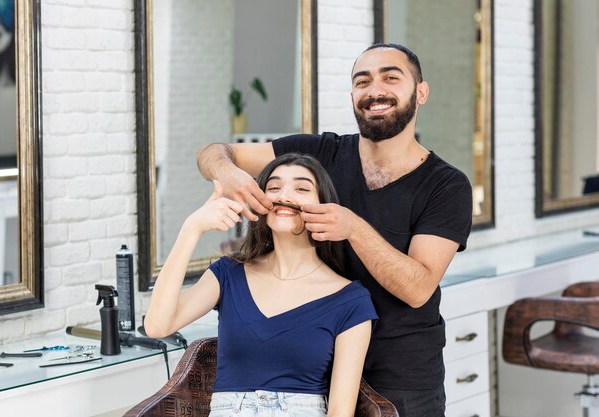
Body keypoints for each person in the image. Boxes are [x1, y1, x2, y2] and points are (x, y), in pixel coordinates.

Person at [196, 43, 473, 417]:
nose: (375, 91)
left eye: (391, 77)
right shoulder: (319, 153)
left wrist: (354, 228)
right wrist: (228, 173)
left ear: (420, 92)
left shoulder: (446, 186)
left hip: (400, 378)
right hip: (312, 367)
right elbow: (214, 152)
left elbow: (417, 288)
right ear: (353, 95)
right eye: (363, 82)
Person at [145, 153, 378, 417]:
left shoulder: (350, 301)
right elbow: (157, 325)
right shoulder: (228, 274)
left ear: (324, 206)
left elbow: (340, 412)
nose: (284, 196)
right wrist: (192, 228)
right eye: (274, 187)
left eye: (301, 188)